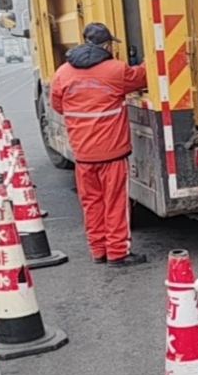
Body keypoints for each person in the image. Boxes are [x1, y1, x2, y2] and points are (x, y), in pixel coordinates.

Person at [51, 23, 149, 268]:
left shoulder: (63, 72)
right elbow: (141, 77)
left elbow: (58, 106)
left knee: (91, 203)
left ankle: (98, 250)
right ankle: (117, 253)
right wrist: (150, 60)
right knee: (115, 203)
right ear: (106, 45)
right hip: (112, 154)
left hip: (83, 155)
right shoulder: (116, 70)